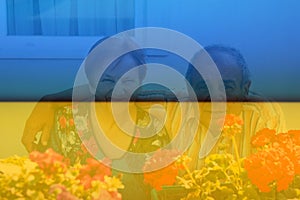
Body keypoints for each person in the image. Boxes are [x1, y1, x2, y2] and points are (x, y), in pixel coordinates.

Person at [185, 45, 286, 167]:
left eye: (227, 88)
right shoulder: (167, 114)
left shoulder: (263, 116)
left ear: (245, 89)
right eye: (204, 87)